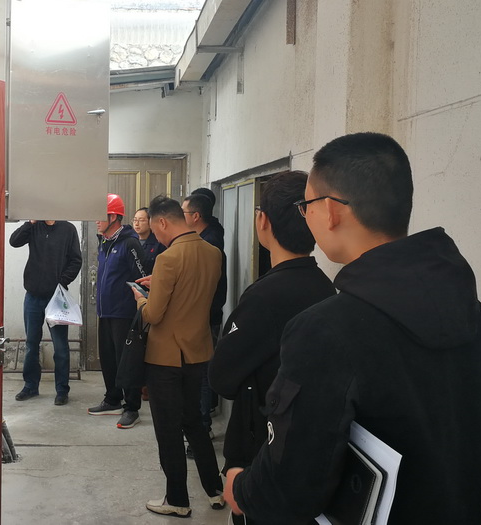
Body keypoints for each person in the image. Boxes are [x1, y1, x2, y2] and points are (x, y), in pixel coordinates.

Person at [224, 132, 481, 524]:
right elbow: (480, 446)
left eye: (306, 206)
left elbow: (290, 490)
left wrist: (240, 488)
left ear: (330, 211)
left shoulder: (325, 330)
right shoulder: (479, 318)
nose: (306, 217)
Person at [208, 171, 336, 525]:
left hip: (261, 454)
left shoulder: (264, 296)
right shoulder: (326, 288)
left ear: (262, 220)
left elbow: (221, 378)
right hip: (306, 449)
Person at [131, 196, 225, 518]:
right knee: (195, 423)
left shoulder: (168, 258)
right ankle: (214, 490)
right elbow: (192, 291)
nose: (156, 236)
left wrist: (141, 299)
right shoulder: (213, 253)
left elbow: (154, 315)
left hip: (166, 358)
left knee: (168, 430)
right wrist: (158, 284)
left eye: (155, 228)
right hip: (198, 351)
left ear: (162, 222)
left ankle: (177, 500)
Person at [87, 194, 148, 429]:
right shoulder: (105, 242)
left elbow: (142, 278)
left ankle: (132, 408)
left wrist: (139, 306)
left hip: (124, 313)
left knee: (127, 360)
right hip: (105, 312)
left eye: (101, 216)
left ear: (114, 217)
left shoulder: (129, 243)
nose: (96, 221)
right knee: (108, 358)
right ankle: (112, 399)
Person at [9, 220, 83, 405]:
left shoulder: (68, 229)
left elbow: (76, 260)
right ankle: (30, 386)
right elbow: (14, 241)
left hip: (56, 298)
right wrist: (30, 222)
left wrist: (62, 281)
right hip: (33, 296)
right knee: (31, 344)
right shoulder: (34, 226)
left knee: (60, 346)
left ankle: (62, 390)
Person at [182, 191, 227, 442]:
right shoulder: (203, 237)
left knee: (201, 374)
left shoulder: (210, 244)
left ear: (196, 216)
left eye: (184, 213)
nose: (181, 217)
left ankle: (201, 429)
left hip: (205, 317)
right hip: (201, 315)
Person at [132, 206, 166, 274]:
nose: (136, 224)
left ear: (150, 222)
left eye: (141, 220)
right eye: (135, 220)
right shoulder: (130, 241)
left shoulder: (159, 243)